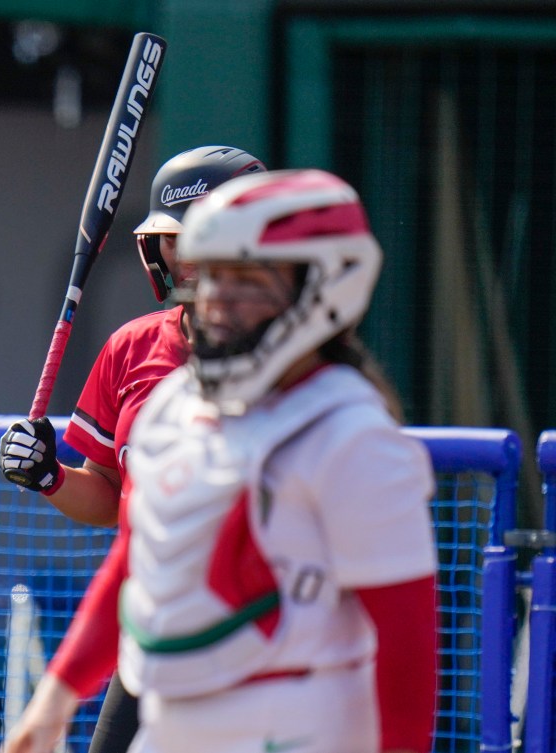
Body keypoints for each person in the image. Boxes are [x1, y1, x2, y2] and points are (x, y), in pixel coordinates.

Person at [119, 168, 438, 753]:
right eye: (212, 274)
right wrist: (58, 693)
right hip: (177, 713)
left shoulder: (350, 432)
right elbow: (132, 557)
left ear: (320, 282)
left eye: (247, 277)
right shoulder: (175, 401)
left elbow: (408, 641)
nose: (216, 298)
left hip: (297, 721)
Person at [0, 146, 267, 753]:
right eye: (174, 239)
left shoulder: (303, 373)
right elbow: (122, 513)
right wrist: (49, 477)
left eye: (200, 236)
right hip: (160, 629)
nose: (184, 257)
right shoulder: (134, 347)